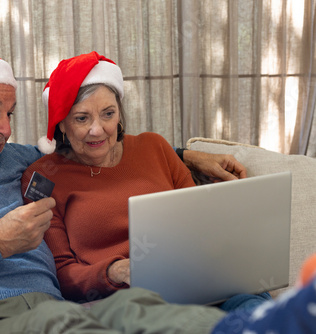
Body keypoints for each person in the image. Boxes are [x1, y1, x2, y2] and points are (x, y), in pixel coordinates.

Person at [0, 46, 254, 334]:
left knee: (138, 306)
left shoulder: (18, 160)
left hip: (55, 311)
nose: (5, 128)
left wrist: (190, 155)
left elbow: (94, 145)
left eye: (9, 114)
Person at [21, 52, 268, 308]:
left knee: (257, 307)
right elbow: (61, 274)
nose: (98, 129)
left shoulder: (154, 147)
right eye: (82, 118)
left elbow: (200, 228)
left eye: (108, 114)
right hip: (128, 302)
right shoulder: (44, 177)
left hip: (195, 281)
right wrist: (114, 272)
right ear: (61, 124)